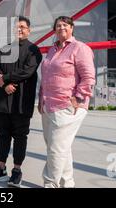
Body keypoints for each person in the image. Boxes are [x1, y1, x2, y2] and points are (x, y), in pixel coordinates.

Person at [0, 16, 42, 188]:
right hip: (3, 101)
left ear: (29, 30)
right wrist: (3, 83)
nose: (20, 30)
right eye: (17, 27)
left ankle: (16, 171)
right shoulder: (5, 49)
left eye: (23, 27)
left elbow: (28, 71)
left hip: (21, 102)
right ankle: (1, 168)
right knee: (2, 135)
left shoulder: (33, 50)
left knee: (20, 136)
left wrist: (6, 80)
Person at [39, 16, 95, 188]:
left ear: (72, 28)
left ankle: (50, 184)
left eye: (65, 25)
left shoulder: (80, 48)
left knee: (56, 149)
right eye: (58, 25)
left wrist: (78, 97)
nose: (61, 27)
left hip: (67, 105)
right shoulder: (52, 50)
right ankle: (67, 183)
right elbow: (46, 77)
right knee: (61, 147)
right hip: (49, 105)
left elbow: (88, 77)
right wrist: (41, 100)